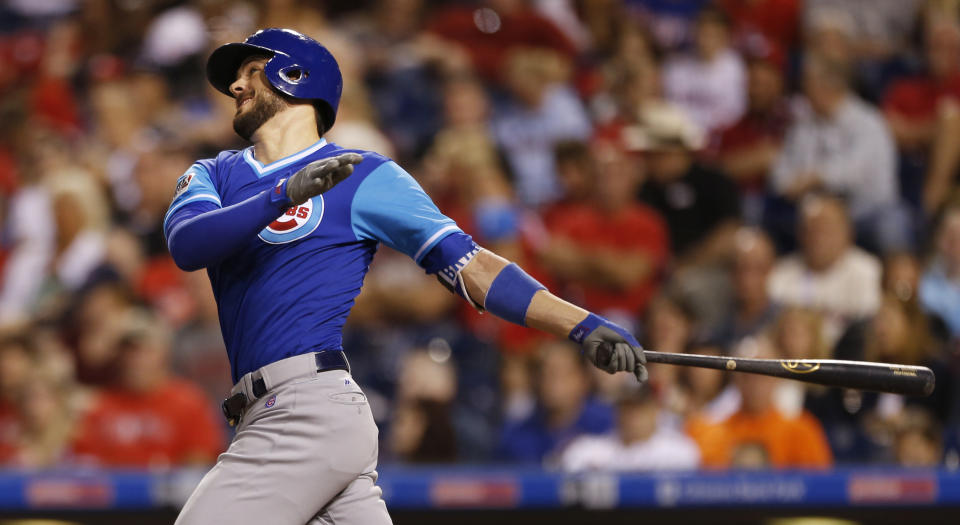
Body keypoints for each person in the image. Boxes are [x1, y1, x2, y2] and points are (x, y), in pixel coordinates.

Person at [164, 29, 647, 525]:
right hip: (270, 415)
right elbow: (188, 244)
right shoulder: (214, 173)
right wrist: (282, 194)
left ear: (295, 77)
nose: (236, 87)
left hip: (303, 411)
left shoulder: (365, 175)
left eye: (251, 72)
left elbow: (474, 268)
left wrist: (582, 324)